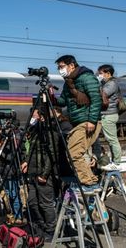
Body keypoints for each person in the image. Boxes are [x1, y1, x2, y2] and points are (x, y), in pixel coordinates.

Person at [55, 55, 102, 193]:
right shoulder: (68, 81)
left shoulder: (86, 77)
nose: (60, 70)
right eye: (58, 67)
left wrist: (92, 120)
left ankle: (89, 183)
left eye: (62, 66)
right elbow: (63, 101)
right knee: (74, 152)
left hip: (87, 121)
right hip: (77, 122)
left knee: (74, 152)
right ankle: (89, 181)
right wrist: (52, 97)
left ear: (72, 65)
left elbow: (96, 99)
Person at [21, 109, 57, 242]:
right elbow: (31, 151)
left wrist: (45, 174)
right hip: (32, 172)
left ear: (42, 116)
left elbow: (51, 155)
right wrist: (26, 162)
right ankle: (41, 226)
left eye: (35, 114)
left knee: (45, 204)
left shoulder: (49, 132)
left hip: (43, 175)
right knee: (32, 202)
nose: (33, 116)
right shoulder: (35, 132)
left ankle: (51, 230)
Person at [0, 135, 23, 224]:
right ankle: (14, 216)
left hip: (12, 172)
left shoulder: (13, 138)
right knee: (9, 196)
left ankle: (18, 217)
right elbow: (1, 156)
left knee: (14, 195)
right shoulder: (5, 138)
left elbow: (11, 157)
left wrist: (0, 146)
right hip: (4, 172)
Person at [97, 64, 123, 171]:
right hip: (108, 114)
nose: (99, 75)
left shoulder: (111, 84)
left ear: (108, 74)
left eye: (100, 73)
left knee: (112, 140)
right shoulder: (107, 83)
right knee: (111, 139)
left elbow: (103, 94)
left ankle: (117, 163)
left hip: (109, 114)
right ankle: (114, 161)